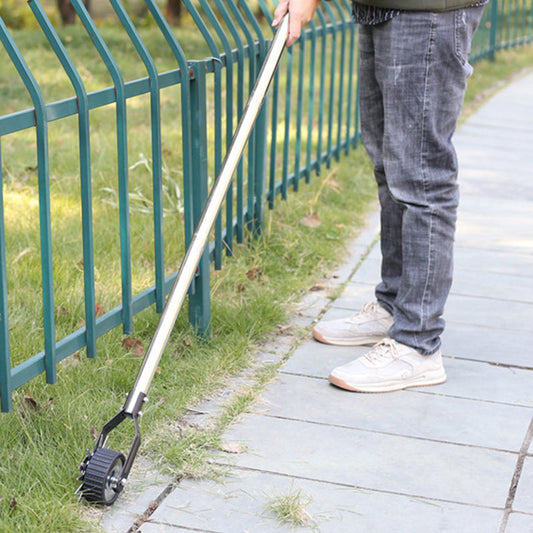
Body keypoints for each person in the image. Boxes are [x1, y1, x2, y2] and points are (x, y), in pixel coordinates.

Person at [273, 0, 485, 392]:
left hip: (429, 12)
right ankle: (394, 307)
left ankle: (417, 342)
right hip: (384, 8)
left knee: (421, 175)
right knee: (391, 167)